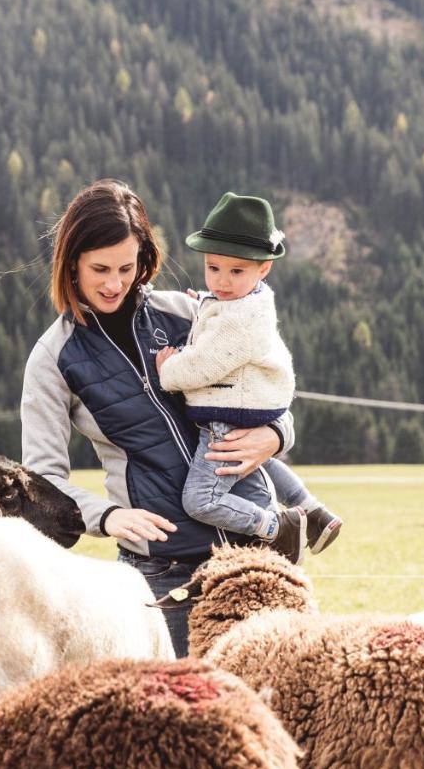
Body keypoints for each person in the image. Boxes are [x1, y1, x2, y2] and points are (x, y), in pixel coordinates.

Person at [20, 179, 293, 656]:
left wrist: (276, 434)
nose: (114, 283)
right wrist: (107, 517)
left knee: (279, 709)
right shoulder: (52, 358)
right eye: (99, 269)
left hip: (257, 551)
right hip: (165, 571)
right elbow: (40, 477)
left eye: (127, 267)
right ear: (71, 265)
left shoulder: (190, 313)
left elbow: (269, 383)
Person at [154, 192, 342, 564]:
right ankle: (314, 512)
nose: (222, 281)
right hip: (253, 407)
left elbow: (203, 365)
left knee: (201, 500)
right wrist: (207, 301)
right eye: (213, 268)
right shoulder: (246, 301)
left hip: (227, 415)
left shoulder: (239, 321)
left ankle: (277, 526)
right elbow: (221, 309)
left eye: (235, 271)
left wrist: (167, 370)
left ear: (263, 269)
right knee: (258, 459)